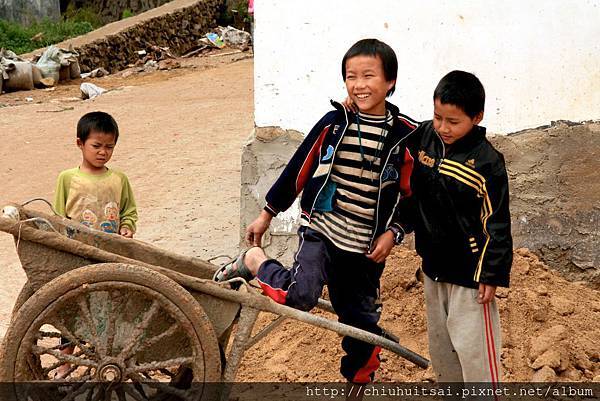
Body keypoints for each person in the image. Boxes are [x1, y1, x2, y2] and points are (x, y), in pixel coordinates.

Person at [216, 38, 420, 385]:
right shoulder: (334, 123)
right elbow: (300, 168)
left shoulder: (406, 137)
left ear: (390, 82)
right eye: (350, 76)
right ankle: (253, 261)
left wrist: (394, 232)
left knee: (362, 328)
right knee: (301, 296)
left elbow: (415, 196)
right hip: (322, 230)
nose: (358, 85)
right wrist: (267, 214)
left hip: (365, 249)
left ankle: (357, 389)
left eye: (368, 76)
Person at [406, 70, 513, 384]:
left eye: (453, 122)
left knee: (475, 353)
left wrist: (490, 274)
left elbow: (496, 223)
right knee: (443, 352)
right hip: (433, 268)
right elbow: (392, 126)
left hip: (469, 277)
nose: (443, 128)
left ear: (477, 117)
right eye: (438, 117)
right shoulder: (425, 137)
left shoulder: (487, 163)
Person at [53, 111, 138, 378]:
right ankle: (65, 362)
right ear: (80, 143)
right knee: (72, 310)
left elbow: (129, 211)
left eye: (109, 147)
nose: (103, 153)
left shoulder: (119, 180)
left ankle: (110, 356)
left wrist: (126, 228)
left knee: (110, 309)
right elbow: (57, 217)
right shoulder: (67, 178)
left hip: (109, 255)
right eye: (96, 146)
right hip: (77, 255)